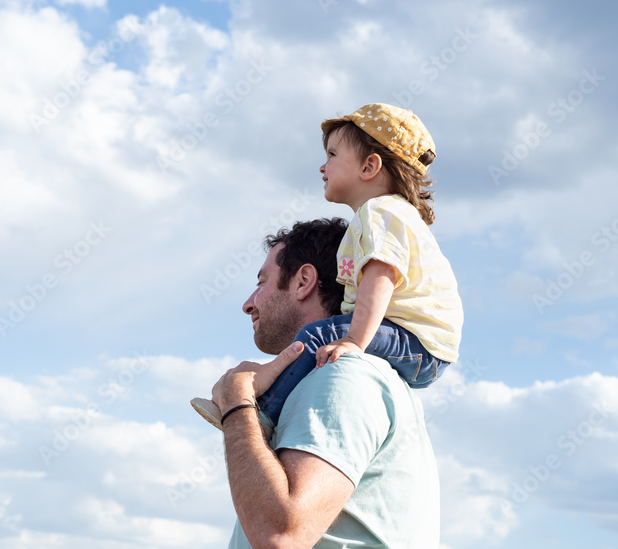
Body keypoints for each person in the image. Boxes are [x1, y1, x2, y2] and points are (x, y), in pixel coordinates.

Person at [209, 219, 440, 549]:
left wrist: (237, 407)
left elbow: (279, 538)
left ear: (303, 282)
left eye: (262, 282)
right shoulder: (326, 379)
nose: (248, 302)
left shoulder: (342, 376)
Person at [192, 102, 463, 433]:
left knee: (320, 335)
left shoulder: (380, 212)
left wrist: (354, 340)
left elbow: (381, 278)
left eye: (333, 155)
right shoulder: (387, 215)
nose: (323, 166)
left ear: (369, 166)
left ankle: (264, 413)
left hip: (417, 342)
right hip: (420, 346)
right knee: (327, 340)